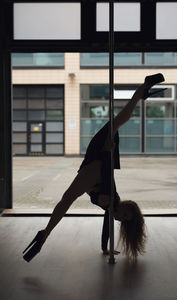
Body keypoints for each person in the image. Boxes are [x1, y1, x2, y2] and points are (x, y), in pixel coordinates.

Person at [23, 73, 165, 262]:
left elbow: (106, 225)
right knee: (117, 122)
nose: (120, 217)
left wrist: (104, 248)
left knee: (116, 123)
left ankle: (141, 93)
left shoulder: (112, 206)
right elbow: (107, 177)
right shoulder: (111, 200)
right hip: (98, 163)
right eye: (123, 214)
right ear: (125, 206)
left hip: (96, 164)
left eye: (123, 219)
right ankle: (141, 91)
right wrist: (107, 152)